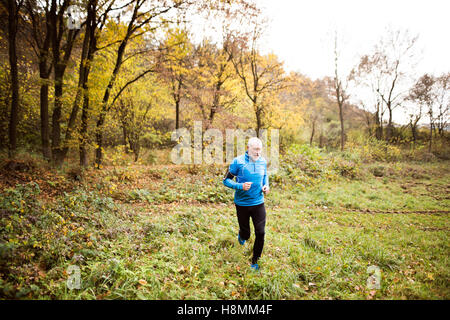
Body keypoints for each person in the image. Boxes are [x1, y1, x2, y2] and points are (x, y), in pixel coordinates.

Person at [223, 137, 270, 271]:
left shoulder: (262, 162)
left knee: (260, 232)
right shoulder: (237, 162)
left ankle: (255, 261)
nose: (258, 153)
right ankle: (242, 235)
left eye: (260, 150)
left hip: (258, 203)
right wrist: (240, 186)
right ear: (248, 148)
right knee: (247, 234)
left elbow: (265, 176)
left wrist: (266, 186)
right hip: (242, 204)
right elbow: (225, 180)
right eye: (255, 149)